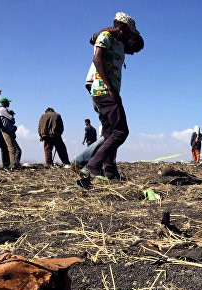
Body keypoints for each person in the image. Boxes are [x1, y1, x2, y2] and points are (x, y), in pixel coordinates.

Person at [80, 12, 141, 180]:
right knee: (121, 131)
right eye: (130, 32)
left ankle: (110, 172)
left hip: (107, 91)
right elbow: (97, 59)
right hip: (104, 90)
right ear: (122, 28)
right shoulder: (106, 35)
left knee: (109, 133)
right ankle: (92, 166)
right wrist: (110, 88)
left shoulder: (118, 41)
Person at [0, 98, 22, 169]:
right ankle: (12, 165)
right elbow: (11, 118)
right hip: (6, 131)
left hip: (7, 130)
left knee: (12, 149)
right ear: (4, 102)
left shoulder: (2, 110)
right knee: (12, 149)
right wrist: (12, 118)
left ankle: (12, 164)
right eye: (8, 102)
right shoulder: (3, 109)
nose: (9, 103)